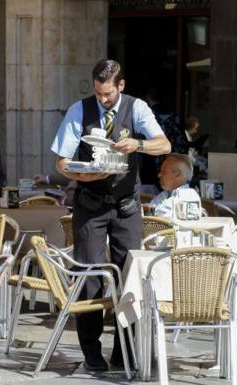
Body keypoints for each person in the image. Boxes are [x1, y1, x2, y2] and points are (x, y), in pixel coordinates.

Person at [51, 59, 171, 370]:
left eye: (108, 94)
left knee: (128, 274)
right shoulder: (79, 110)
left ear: (121, 85)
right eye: (98, 93)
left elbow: (165, 145)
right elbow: (62, 162)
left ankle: (125, 350)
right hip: (90, 203)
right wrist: (82, 175)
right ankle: (91, 350)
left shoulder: (138, 108)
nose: (103, 100)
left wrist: (139, 144)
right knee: (91, 276)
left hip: (126, 206)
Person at [147, 154, 200, 218]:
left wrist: (158, 217)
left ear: (177, 174)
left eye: (163, 172)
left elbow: (191, 220)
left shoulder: (189, 195)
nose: (159, 175)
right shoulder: (162, 195)